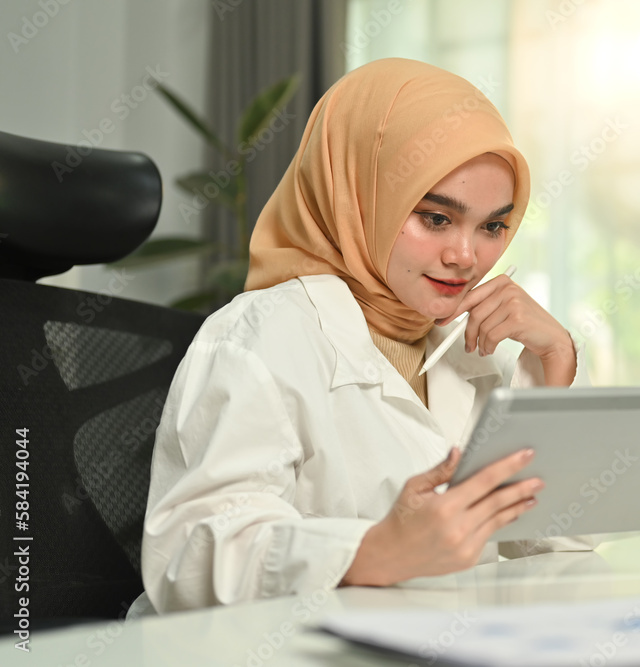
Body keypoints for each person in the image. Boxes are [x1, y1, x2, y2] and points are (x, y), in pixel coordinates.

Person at [137, 58, 595, 614]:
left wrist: (555, 370)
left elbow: (563, 556)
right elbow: (189, 560)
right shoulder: (258, 336)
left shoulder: (485, 349)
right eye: (435, 218)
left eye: (493, 226)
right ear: (356, 196)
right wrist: (374, 551)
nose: (466, 257)